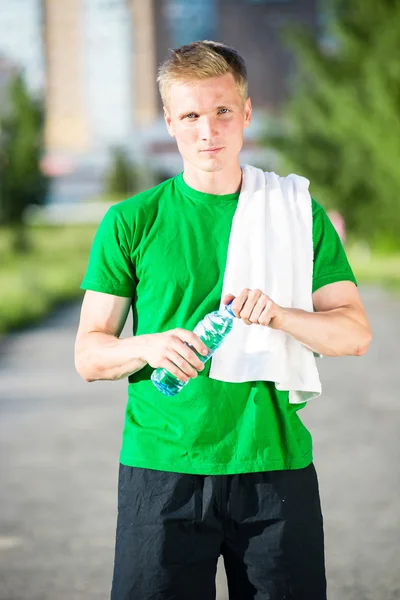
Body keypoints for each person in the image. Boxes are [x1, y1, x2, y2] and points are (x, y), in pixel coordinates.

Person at [75, 41, 372, 600]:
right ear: (169, 122)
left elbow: (354, 334)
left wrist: (284, 316)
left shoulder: (292, 210)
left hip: (274, 468)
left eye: (222, 111)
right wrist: (148, 346)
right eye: (190, 115)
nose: (207, 130)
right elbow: (89, 355)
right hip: (162, 469)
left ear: (246, 113)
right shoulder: (130, 221)